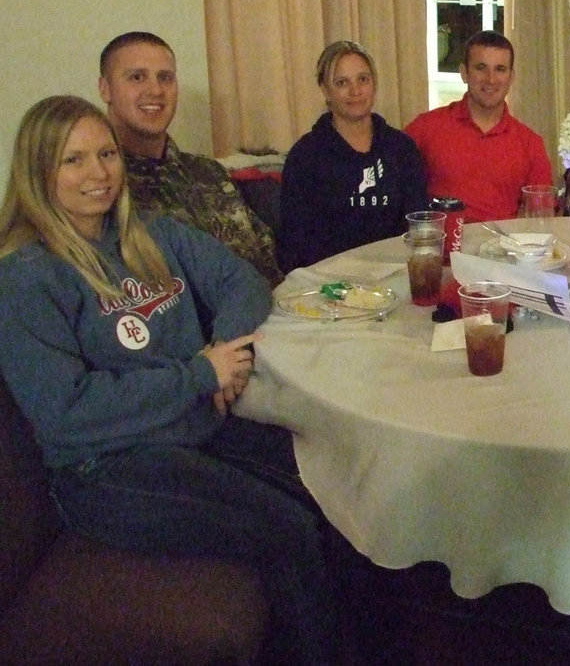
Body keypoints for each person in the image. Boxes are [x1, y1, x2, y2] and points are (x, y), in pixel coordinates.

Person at [0, 96, 336, 664]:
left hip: (197, 421)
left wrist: (225, 351)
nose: (98, 173)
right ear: (38, 173)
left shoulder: (150, 232)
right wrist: (198, 373)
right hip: (106, 465)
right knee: (288, 532)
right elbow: (65, 410)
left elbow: (242, 283)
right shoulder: (27, 277)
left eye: (105, 153)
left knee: (330, 478)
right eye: (73, 160)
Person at [98, 31, 283, 285]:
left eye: (165, 77)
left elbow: (265, 261)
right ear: (105, 89)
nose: (155, 90)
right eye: (137, 77)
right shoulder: (100, 187)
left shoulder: (209, 173)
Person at [278, 40, 428, 272]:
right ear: (325, 90)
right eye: (342, 82)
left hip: (397, 276)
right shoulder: (306, 157)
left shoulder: (401, 148)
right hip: (330, 284)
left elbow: (417, 226)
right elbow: (295, 244)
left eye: (363, 79)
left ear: (374, 84)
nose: (355, 91)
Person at [404, 30, 553, 223]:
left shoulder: (530, 143)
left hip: (505, 249)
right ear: (464, 73)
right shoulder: (425, 128)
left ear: (511, 77)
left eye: (500, 69)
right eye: (481, 68)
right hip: (441, 249)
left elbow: (541, 217)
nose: (490, 79)